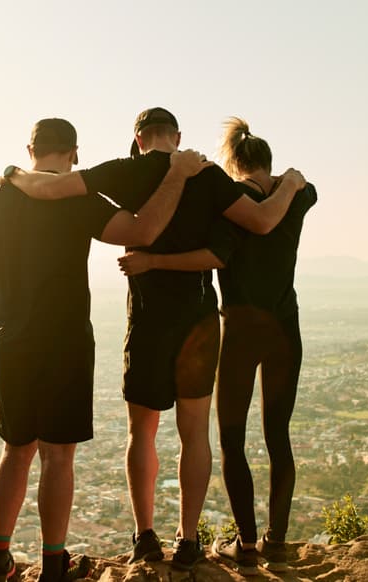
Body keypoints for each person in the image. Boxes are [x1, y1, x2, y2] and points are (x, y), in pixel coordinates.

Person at [3, 108, 306, 572]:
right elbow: (262, 222)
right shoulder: (207, 175)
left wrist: (14, 174)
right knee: (194, 433)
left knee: (140, 433)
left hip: (146, 318)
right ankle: (188, 539)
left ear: (139, 138)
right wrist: (291, 184)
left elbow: (50, 187)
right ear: (177, 136)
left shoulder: (126, 171)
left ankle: (145, 536)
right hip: (199, 321)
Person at [0, 118, 209, 582]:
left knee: (15, 450)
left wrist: (0, 300)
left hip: (12, 340)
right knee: (58, 457)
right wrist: (177, 175)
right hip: (65, 340)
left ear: (30, 150)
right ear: (75, 154)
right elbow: (144, 230)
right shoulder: (78, 199)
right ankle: (52, 564)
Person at [118, 117, 317, 575]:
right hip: (285, 330)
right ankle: (277, 542)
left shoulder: (230, 204)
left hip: (242, 331)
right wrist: (287, 182)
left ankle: (245, 545)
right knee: (278, 434)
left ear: (233, 162)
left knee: (231, 439)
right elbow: (305, 189)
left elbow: (219, 252)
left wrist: (152, 261)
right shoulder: (296, 196)